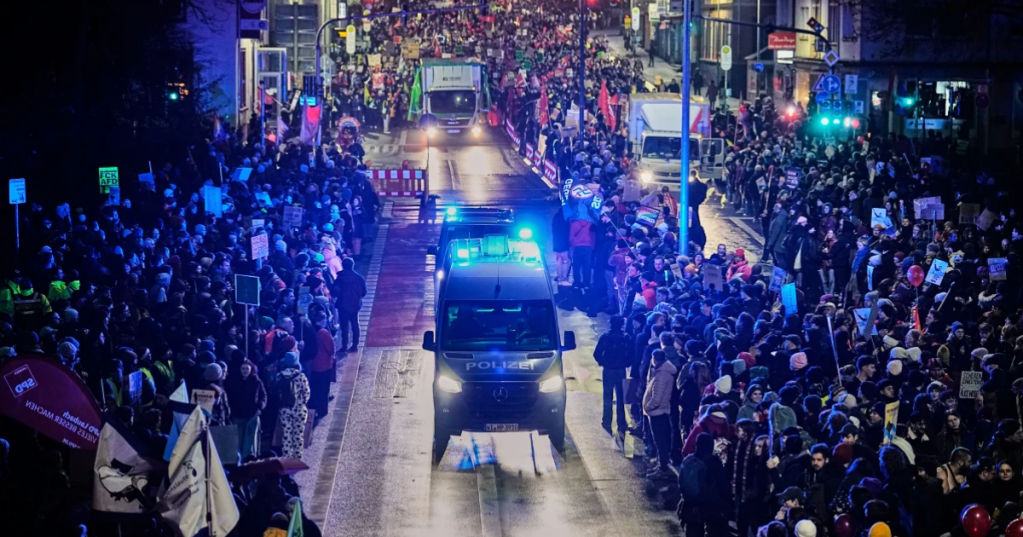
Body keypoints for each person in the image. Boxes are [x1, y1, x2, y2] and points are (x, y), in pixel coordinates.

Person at [594, 315, 632, 437]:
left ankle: (607, 421)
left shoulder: (605, 337)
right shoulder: (626, 338)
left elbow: (597, 353)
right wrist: (625, 363)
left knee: (607, 396)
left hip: (608, 370)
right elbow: (631, 354)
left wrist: (603, 362)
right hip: (620, 370)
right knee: (620, 397)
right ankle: (621, 423)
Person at [644, 349, 678, 479]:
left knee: (660, 442)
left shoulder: (662, 375)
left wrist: (647, 407)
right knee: (661, 441)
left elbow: (657, 398)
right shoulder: (662, 371)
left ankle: (662, 468)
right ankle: (661, 463)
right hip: (660, 411)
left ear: (655, 358)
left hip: (657, 412)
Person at [275, 352, 310, 460]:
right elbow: (306, 393)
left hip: (284, 409)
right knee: (298, 435)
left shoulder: (279, 375)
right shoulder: (301, 376)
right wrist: (301, 402)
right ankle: (297, 459)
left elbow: (277, 393)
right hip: (299, 409)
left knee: (286, 434)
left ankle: (287, 458)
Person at [333, 257, 367, 353]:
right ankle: (355, 345)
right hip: (355, 304)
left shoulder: (340, 278)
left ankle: (344, 345)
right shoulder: (359, 278)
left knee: (344, 326)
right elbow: (364, 291)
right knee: (355, 324)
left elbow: (335, 292)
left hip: (342, 305)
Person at [308, 310, 336, 416]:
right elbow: (331, 348)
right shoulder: (323, 332)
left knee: (314, 388)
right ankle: (322, 411)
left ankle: (313, 409)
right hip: (323, 364)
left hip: (312, 364)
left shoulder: (310, 329)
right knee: (323, 389)